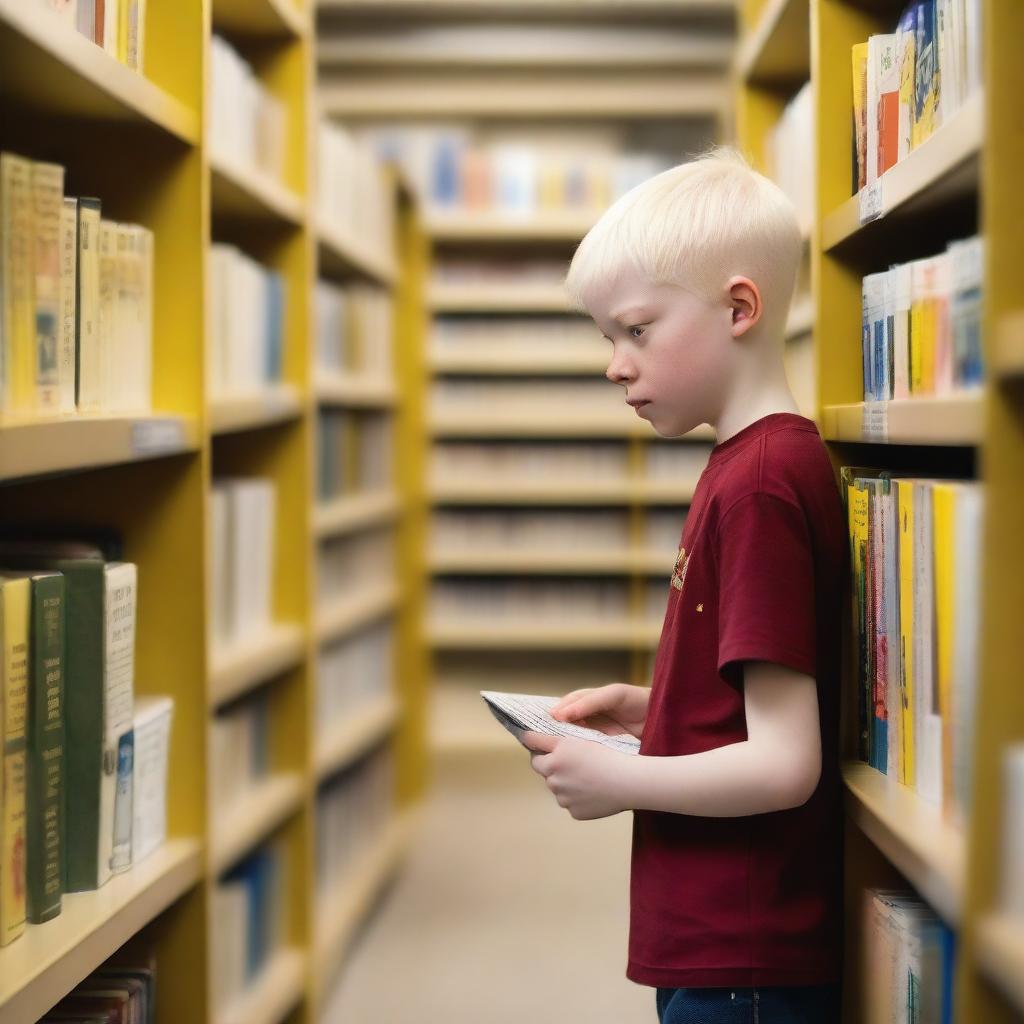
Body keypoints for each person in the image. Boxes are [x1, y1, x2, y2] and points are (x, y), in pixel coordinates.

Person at [520, 148, 848, 1024]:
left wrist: (620, 783)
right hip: (728, 938)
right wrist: (656, 706)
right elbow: (756, 694)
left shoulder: (762, 483)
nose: (614, 364)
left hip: (745, 952)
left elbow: (786, 764)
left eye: (636, 330)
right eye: (606, 339)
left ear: (741, 307)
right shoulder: (750, 462)